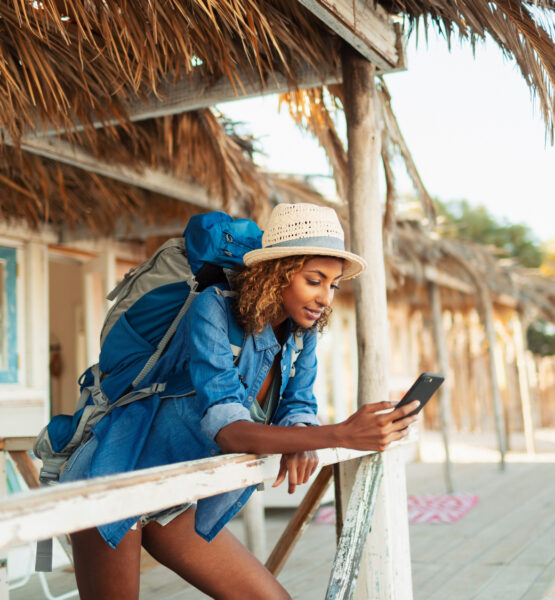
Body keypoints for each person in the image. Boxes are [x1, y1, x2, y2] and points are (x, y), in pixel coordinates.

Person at [63, 203, 420, 599]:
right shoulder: (212, 307)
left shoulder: (303, 332)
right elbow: (229, 429)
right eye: (314, 280)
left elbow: (298, 403)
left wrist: (301, 433)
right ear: (277, 273)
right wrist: (340, 435)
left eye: (333, 285)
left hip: (174, 493)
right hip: (115, 473)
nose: (325, 298)